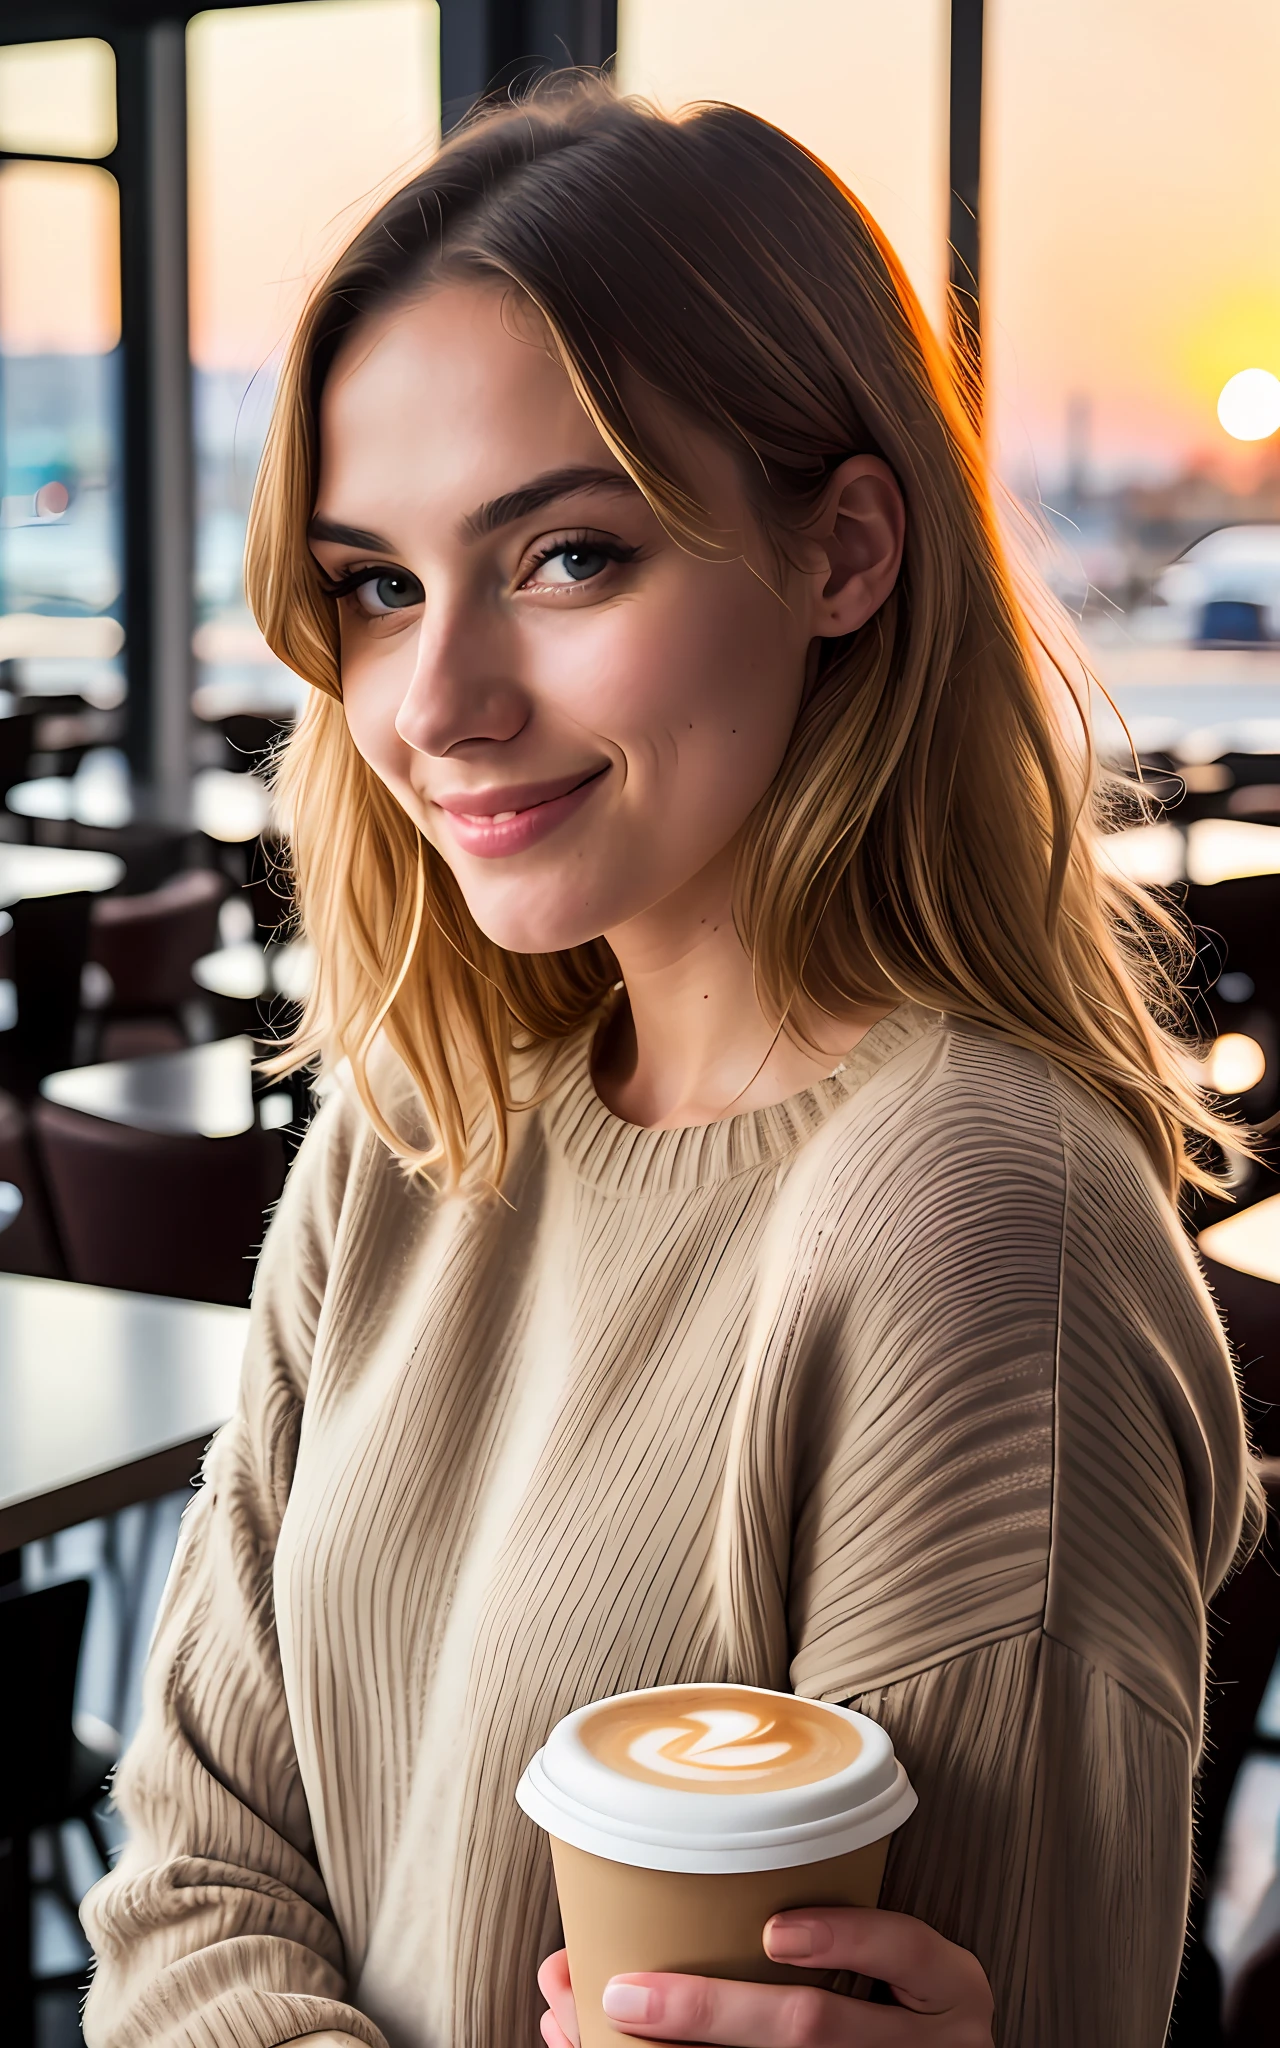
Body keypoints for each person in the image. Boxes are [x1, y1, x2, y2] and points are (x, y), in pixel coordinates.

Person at [81, 79, 1258, 2048]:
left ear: (846, 552)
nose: (438, 702)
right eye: (378, 585)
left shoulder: (976, 1229)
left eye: (565, 558)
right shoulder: (412, 1124)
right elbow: (189, 1883)